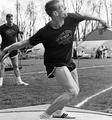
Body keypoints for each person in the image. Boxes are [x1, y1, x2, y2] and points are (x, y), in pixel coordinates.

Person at [0, 0, 109, 119]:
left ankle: (58, 112)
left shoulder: (71, 18)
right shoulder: (45, 32)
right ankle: (45, 115)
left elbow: (86, 15)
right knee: (72, 91)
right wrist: (7, 49)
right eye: (62, 7)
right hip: (55, 63)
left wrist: (100, 20)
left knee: (75, 90)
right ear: (55, 13)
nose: (65, 8)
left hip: (68, 61)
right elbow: (24, 42)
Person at [0, 14, 28, 87]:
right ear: (6, 19)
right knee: (2, 65)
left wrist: (22, 45)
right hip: (4, 49)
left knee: (15, 65)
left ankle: (19, 81)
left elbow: (19, 38)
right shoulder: (2, 28)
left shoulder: (16, 27)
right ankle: (0, 82)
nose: (11, 20)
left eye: (12, 19)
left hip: (14, 49)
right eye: (9, 19)